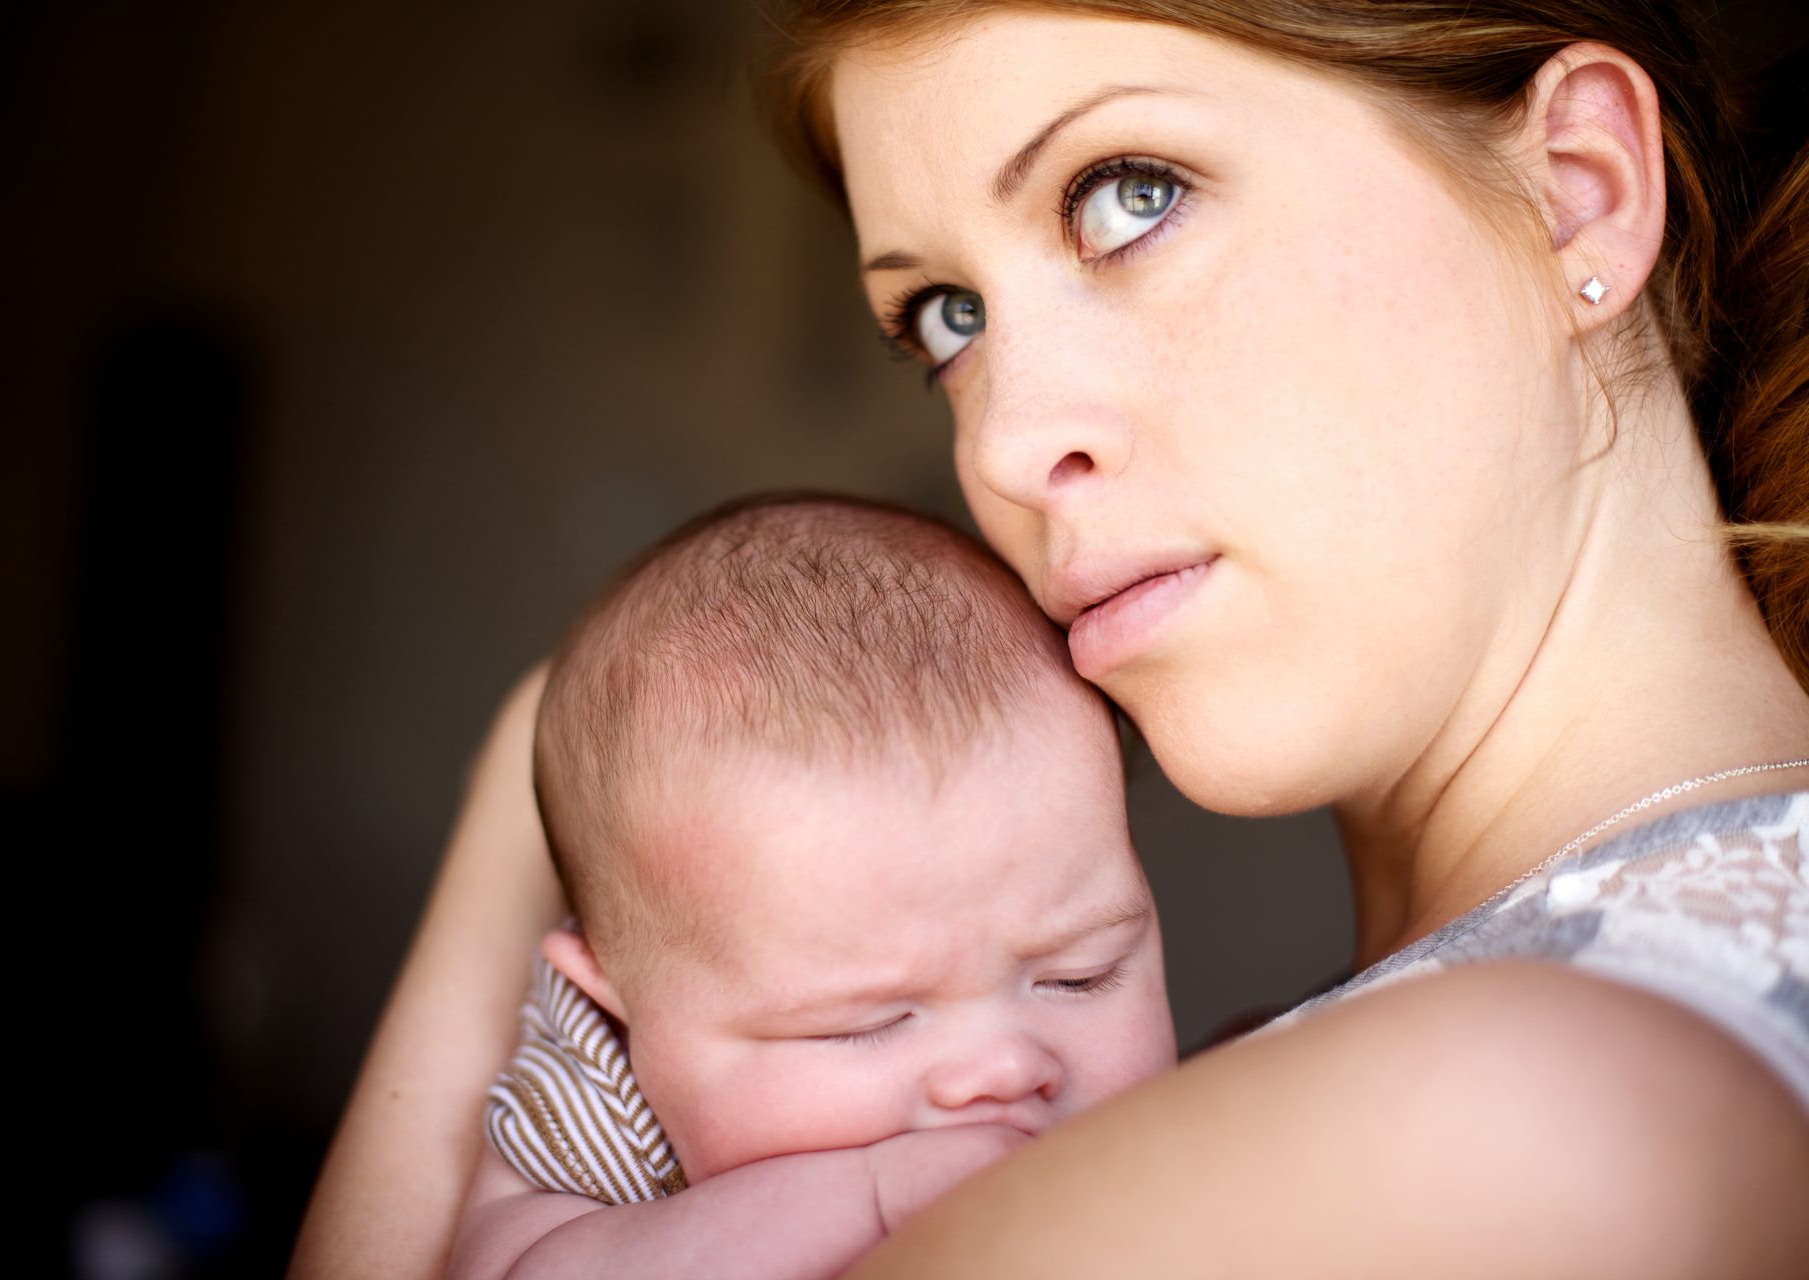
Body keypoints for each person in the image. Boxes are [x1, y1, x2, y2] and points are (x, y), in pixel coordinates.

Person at [290, 1, 1809, 1276]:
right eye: (950, 317)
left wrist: (544, 753)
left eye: (1128, 193)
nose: (1007, 444)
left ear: (1576, 186)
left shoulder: (1531, 1119)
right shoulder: (1511, 1046)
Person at [444, 493, 1174, 1279]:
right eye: (862, 1024)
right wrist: (870, 1199)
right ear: (615, 997)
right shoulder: (598, 1097)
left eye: (1079, 977)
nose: (1002, 1068)